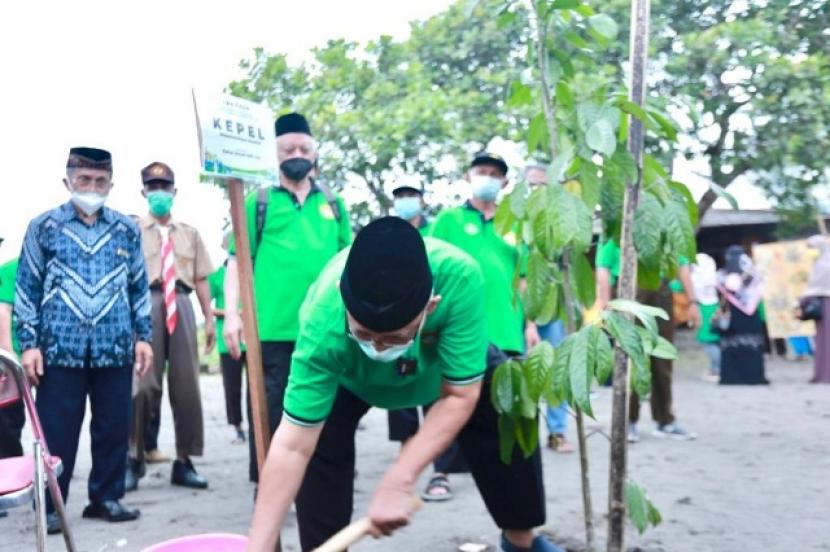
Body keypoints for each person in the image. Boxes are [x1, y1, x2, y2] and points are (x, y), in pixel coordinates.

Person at [247, 217, 562, 552]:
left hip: (439, 371)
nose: (379, 348)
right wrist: (257, 547)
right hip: (349, 379)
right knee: (320, 452)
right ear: (343, 300)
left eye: (395, 337)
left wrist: (400, 478)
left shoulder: (460, 278)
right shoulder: (322, 320)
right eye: (365, 334)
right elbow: (292, 445)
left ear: (431, 306)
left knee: (508, 399)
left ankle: (520, 541)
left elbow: (460, 394)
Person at [15, 147, 152, 533]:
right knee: (57, 431)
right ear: (68, 181)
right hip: (59, 349)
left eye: (100, 181)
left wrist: (144, 337)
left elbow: (139, 286)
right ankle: (53, 505)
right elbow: (28, 287)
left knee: (113, 427)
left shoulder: (126, 229)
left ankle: (106, 498)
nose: (92, 187)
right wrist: (29, 344)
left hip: (115, 347)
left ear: (111, 183)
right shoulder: (43, 227)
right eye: (84, 180)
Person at [223, 112, 352, 482]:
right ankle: (268, 486)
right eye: (288, 148)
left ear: (314, 154)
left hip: (325, 328)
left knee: (327, 412)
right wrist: (233, 315)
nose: (297, 153)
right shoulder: (258, 202)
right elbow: (237, 260)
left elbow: (348, 261)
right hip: (271, 331)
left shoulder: (334, 203)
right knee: (270, 413)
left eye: (304, 148)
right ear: (274, 154)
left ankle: (314, 485)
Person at [427, 151, 540, 497]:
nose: (488, 177)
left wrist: (530, 323)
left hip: (506, 327)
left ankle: (499, 471)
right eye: (482, 171)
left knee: (504, 403)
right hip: (458, 328)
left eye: (495, 173)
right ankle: (441, 473)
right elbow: (431, 268)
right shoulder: (448, 220)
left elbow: (524, 277)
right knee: (447, 398)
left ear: (505, 182)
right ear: (468, 176)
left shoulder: (515, 225)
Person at [127, 161, 215, 492]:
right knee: (143, 385)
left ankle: (185, 460)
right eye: (153, 188)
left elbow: (202, 278)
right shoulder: (131, 229)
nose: (159, 193)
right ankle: (134, 458)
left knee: (186, 386)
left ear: (174, 192)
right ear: (144, 192)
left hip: (181, 301)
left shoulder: (189, 233)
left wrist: (208, 319)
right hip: (144, 305)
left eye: (165, 188)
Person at [387, 182, 464, 500]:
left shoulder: (438, 230)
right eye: (400, 196)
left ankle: (440, 473)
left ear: (421, 200)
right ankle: (406, 468)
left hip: (436, 323)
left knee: (438, 395)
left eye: (411, 195)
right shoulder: (386, 234)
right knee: (401, 398)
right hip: (399, 324)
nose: (406, 201)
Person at [595, 239, 700, 443]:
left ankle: (665, 420)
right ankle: (628, 421)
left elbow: (682, 265)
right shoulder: (618, 222)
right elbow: (603, 268)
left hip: (661, 289)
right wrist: (606, 305)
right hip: (628, 289)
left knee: (663, 359)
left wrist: (693, 301)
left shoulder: (664, 224)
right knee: (631, 358)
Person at [523, 164, 573, 453]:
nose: (538, 191)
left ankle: (557, 431)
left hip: (551, 307)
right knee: (518, 367)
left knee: (555, 369)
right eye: (533, 185)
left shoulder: (556, 222)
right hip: (518, 307)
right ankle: (524, 431)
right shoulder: (514, 220)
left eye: (544, 185)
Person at [208, 234, 247, 443]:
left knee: (257, 386)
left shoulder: (253, 270)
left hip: (252, 339)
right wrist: (231, 314)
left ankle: (258, 425)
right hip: (228, 341)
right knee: (232, 386)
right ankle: (236, 427)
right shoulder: (217, 276)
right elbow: (208, 307)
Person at [715, 245, 768, 385]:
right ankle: (754, 376)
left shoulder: (722, 275)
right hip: (751, 317)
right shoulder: (754, 275)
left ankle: (732, 377)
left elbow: (722, 293)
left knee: (732, 345)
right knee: (752, 345)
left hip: (733, 316)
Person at [0, 242, 24, 471]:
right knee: (8, 419)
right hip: (10, 356)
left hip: (33, 353)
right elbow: (3, 311)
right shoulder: (8, 271)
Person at [801, 235, 830, 383]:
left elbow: (816, 287)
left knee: (825, 340)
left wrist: (803, 300)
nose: (810, 251)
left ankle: (825, 374)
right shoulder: (821, 262)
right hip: (823, 303)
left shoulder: (823, 265)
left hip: (826, 303)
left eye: (812, 247)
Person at [691, 253, 721, 382]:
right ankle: (715, 368)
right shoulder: (713, 278)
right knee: (714, 341)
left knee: (707, 342)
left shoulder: (696, 280)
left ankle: (717, 370)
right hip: (714, 306)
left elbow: (678, 286)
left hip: (702, 308)